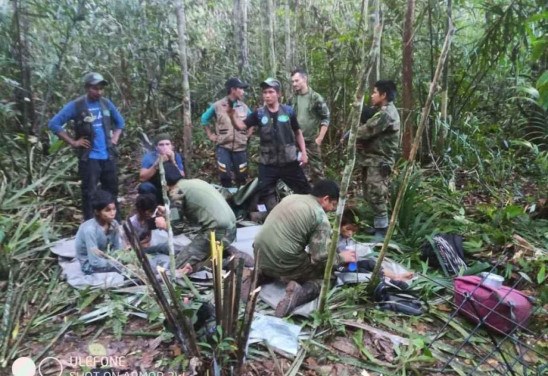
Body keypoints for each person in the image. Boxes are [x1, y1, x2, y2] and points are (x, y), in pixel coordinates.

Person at [253, 180, 356, 317]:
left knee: (286, 254)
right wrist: (342, 257)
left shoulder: (291, 198)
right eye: (333, 204)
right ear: (325, 199)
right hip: (283, 261)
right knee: (326, 278)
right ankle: (298, 294)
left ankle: (259, 275)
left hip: (259, 253)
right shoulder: (319, 216)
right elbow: (319, 257)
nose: (332, 209)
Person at [49, 72, 125, 220]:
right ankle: (91, 225)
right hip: (89, 158)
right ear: (87, 88)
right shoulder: (76, 105)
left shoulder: (106, 103)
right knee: (89, 193)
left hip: (108, 155)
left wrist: (114, 138)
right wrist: (73, 142)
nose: (99, 92)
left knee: (112, 191)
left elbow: (120, 123)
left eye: (101, 89)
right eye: (95, 88)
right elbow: (54, 124)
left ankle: (116, 224)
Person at [230, 77, 311, 211]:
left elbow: (297, 132)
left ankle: (308, 215)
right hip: (268, 163)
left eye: (270, 92)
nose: (267, 96)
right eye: (265, 92)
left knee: (304, 190)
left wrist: (304, 153)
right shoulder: (259, 113)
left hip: (289, 161)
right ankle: (274, 217)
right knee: (266, 193)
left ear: (278, 94)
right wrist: (231, 113)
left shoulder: (288, 111)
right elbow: (241, 126)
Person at [356, 80, 400, 239]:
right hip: (372, 158)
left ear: (384, 95)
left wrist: (351, 134)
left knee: (377, 192)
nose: (372, 95)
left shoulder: (386, 114)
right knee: (370, 192)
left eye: (375, 92)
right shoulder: (381, 111)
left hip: (380, 160)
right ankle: (378, 225)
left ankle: (382, 230)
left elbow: (366, 130)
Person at [166, 176, 238, 269]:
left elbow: (176, 228)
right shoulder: (195, 182)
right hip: (231, 230)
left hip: (217, 232)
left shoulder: (176, 191)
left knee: (176, 267)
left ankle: (227, 263)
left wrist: (165, 224)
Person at [200, 77, 252, 187]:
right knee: (224, 175)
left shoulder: (244, 107)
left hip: (240, 147)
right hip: (223, 147)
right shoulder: (218, 106)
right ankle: (226, 198)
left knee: (242, 175)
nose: (243, 92)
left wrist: (248, 135)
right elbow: (204, 119)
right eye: (241, 89)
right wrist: (210, 135)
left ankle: (241, 199)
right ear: (233, 89)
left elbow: (252, 121)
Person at [336, 213, 413, 282]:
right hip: (338, 267)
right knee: (360, 271)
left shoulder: (346, 239)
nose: (350, 233)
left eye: (353, 230)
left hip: (349, 264)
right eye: (348, 229)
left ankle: (396, 276)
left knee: (371, 264)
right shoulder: (333, 238)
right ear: (339, 225)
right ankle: (388, 281)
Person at [290, 68, 331, 183]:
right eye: (293, 81)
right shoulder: (293, 98)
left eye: (297, 81)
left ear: (305, 79)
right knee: (297, 171)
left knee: (317, 172)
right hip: (296, 142)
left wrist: (320, 138)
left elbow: (326, 117)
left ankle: (322, 197)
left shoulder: (316, 98)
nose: (294, 84)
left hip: (311, 141)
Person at [75, 190, 123, 274]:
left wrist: (120, 258)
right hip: (90, 264)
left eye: (114, 209)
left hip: (107, 258)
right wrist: (116, 263)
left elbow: (117, 248)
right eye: (107, 210)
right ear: (97, 212)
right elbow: (94, 262)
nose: (112, 213)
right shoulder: (90, 230)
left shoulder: (114, 224)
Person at [139, 133, 185, 203]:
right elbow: (142, 178)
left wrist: (173, 161)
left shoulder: (176, 155)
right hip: (156, 187)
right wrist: (157, 164)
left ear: (172, 146)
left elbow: (182, 176)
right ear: (156, 147)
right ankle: (152, 209)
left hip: (172, 187)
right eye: (161, 145)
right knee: (144, 187)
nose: (165, 147)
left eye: (167, 144)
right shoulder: (150, 156)